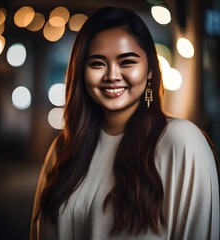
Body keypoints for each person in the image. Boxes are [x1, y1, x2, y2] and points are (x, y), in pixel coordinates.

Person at [30, 6, 219, 240]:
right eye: (97, 63)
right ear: (81, 72)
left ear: (150, 70)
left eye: (127, 62)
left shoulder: (182, 142)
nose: (112, 75)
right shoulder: (64, 149)